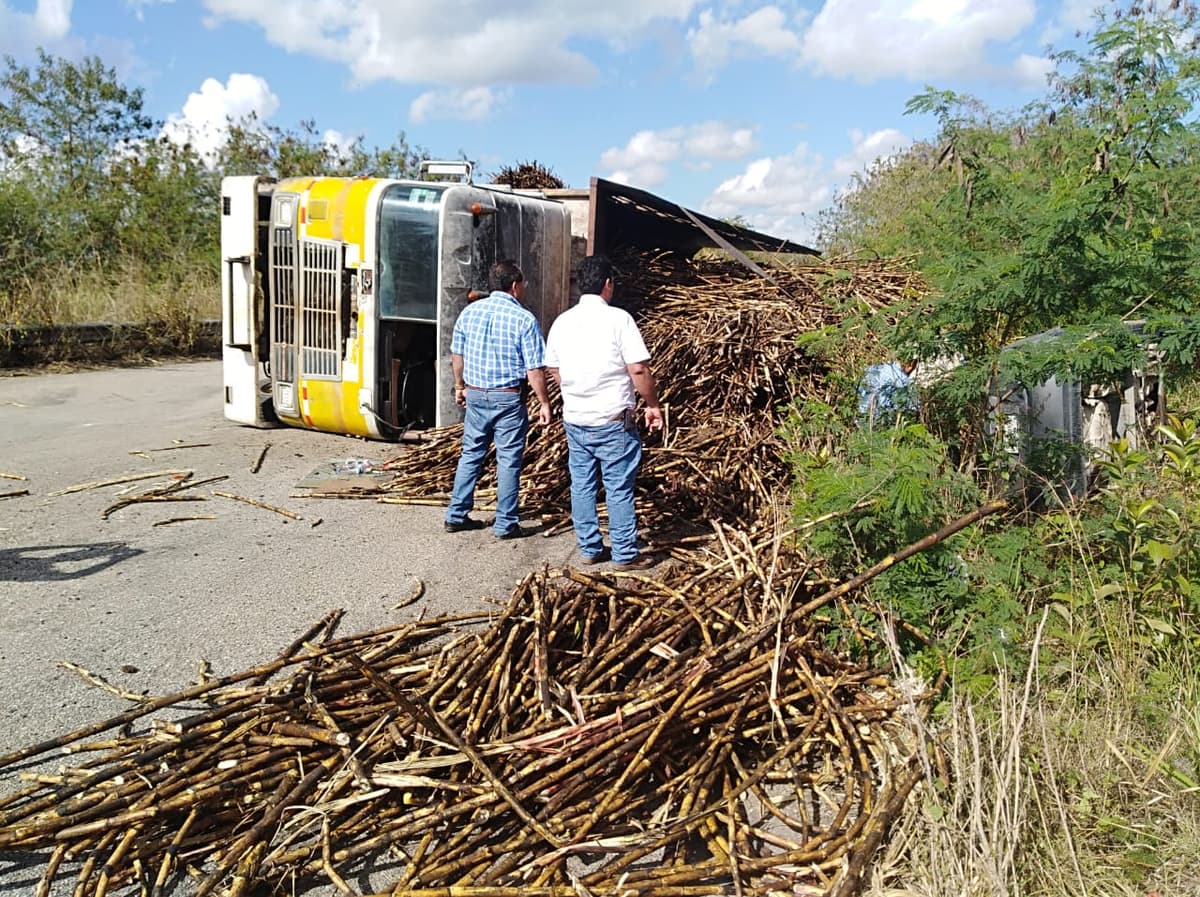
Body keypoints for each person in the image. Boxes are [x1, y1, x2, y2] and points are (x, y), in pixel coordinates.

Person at [545, 255, 663, 569]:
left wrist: (576, 388)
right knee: (618, 487)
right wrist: (653, 405)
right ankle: (625, 554)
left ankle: (589, 549)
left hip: (576, 419)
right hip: (613, 421)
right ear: (607, 284)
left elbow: (553, 366)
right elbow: (638, 369)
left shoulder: (562, 322)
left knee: (582, 485)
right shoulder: (619, 320)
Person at [444, 260, 552, 539]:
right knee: (508, 460)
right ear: (515, 287)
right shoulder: (524, 319)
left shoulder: (469, 313)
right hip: (508, 398)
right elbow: (534, 368)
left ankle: (456, 514)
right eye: (523, 285)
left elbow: (458, 355)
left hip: (476, 393)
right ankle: (505, 524)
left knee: (471, 454)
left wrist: (459, 386)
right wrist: (544, 402)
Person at [858, 357, 919, 425]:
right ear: (911, 364)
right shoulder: (903, 380)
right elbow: (913, 409)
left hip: (861, 422)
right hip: (882, 425)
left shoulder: (871, 369)